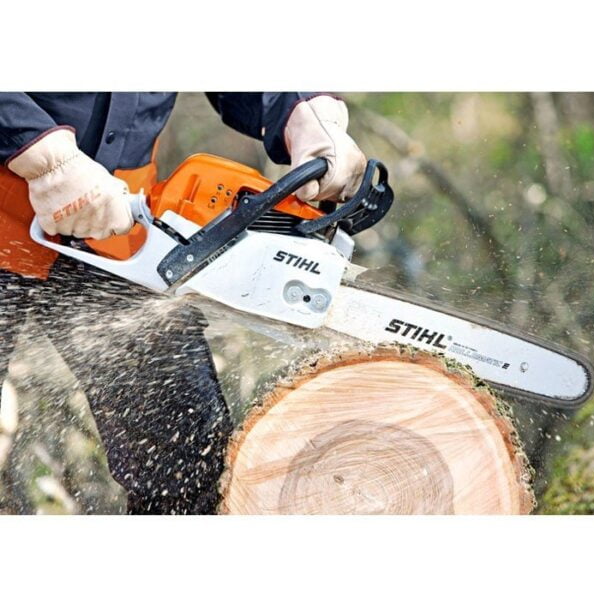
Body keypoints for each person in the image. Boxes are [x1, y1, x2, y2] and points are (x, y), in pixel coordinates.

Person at [0, 92, 367, 514]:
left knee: (188, 461)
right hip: (23, 192)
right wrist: (44, 155)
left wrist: (303, 111)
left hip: (117, 226)